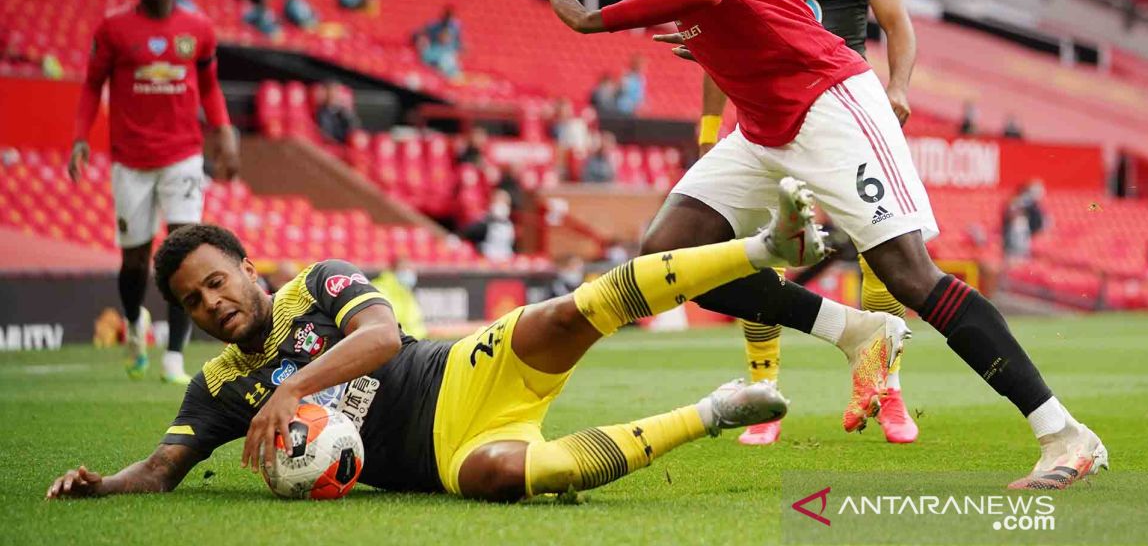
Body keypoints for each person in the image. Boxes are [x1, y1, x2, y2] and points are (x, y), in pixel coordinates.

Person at [532, 0, 1106, 490]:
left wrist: (597, 19)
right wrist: (729, 36)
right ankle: (853, 332)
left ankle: (1066, 436)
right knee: (667, 255)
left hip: (827, 107)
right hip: (762, 123)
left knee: (910, 277)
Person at [45, 184, 821, 501]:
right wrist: (100, 488)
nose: (211, 304)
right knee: (514, 477)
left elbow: (383, 338)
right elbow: (161, 468)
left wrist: (292, 389)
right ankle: (714, 411)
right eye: (192, 302)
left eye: (216, 282)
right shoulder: (216, 388)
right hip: (439, 464)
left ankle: (764, 246)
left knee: (568, 314)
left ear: (246, 269)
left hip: (461, 374)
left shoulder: (315, 285)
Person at [658, 0, 919, 445]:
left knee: (881, 244)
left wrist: (898, 87)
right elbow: (713, 46)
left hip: (841, 113)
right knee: (752, 250)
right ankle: (763, 392)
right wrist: (705, 133)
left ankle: (887, 387)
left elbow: (896, 24)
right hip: (763, 118)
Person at [68, 0, 239, 385]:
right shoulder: (114, 28)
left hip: (182, 156)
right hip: (130, 160)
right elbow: (91, 86)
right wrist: (80, 139)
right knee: (134, 261)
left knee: (184, 252)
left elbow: (210, 87)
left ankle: (173, 359)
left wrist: (222, 130)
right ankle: (133, 322)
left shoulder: (197, 29)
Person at [462, 189, 516, 261]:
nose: (501, 206)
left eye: (505, 203)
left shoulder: (509, 225)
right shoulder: (484, 223)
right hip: (487, 262)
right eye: (498, 202)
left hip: (505, 261)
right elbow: (468, 235)